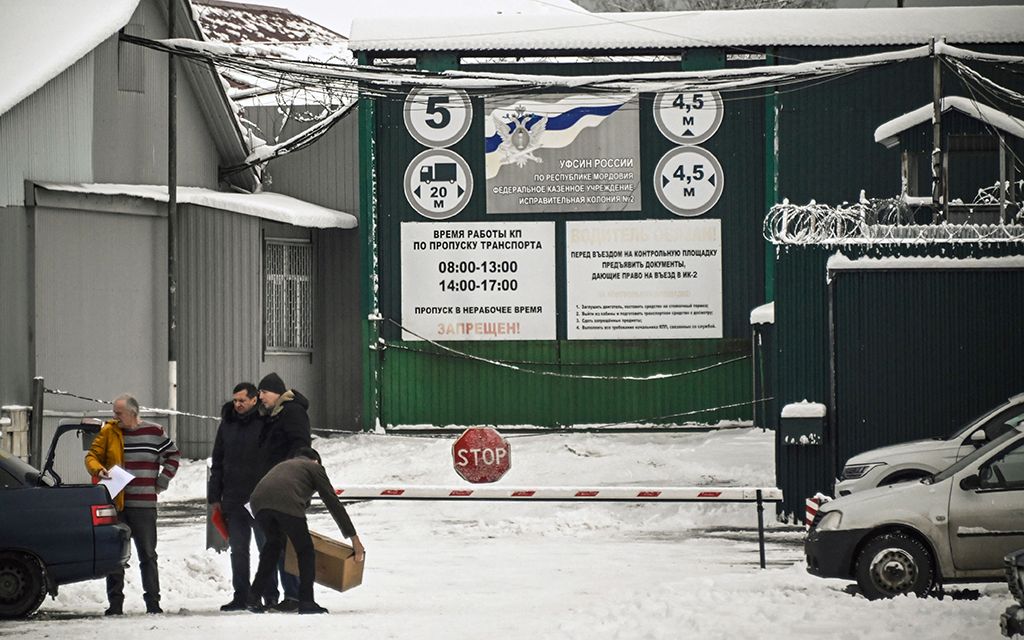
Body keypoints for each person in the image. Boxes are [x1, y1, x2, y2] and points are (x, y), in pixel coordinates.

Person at [85, 394, 180, 615]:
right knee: (115, 556)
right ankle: (115, 604)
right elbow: (92, 456)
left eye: (119, 414)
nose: (114, 417)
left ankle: (153, 604)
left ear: (133, 413)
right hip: (117, 503)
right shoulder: (110, 432)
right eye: (114, 413)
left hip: (145, 505)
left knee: (148, 554)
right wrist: (98, 469)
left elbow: (173, 455)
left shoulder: (154, 432)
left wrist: (162, 480)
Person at [246, 448, 365, 615]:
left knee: (272, 546)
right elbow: (332, 501)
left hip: (257, 503)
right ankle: (307, 601)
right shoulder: (314, 467)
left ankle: (254, 596)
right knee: (306, 550)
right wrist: (353, 537)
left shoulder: (286, 465)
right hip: (286, 502)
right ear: (316, 461)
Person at [208, 382, 280, 611]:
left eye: (242, 400)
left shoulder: (266, 423)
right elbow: (217, 461)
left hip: (260, 499)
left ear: (254, 400)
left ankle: (269, 595)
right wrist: (214, 495)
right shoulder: (227, 424)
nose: (237, 404)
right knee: (238, 550)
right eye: (235, 400)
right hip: (232, 499)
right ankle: (241, 596)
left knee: (265, 549)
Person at [255, 371, 312, 610]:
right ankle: (276, 595)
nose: (260, 397)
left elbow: (301, 446)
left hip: (285, 489)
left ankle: (293, 595)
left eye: (264, 392)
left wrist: (289, 476)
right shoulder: (274, 415)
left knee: (285, 544)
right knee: (273, 543)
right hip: (273, 488)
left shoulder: (291, 412)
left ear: (277, 392)